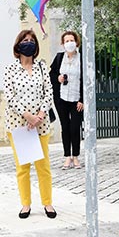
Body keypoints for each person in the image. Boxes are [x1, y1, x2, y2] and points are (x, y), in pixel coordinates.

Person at [3, 29, 57, 219]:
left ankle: (47, 203)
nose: (28, 43)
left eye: (31, 40)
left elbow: (48, 92)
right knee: (23, 167)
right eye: (25, 40)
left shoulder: (42, 67)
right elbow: (9, 96)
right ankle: (25, 204)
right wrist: (27, 116)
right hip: (19, 124)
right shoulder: (10, 69)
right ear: (18, 45)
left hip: (40, 124)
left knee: (43, 165)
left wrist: (40, 114)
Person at [49, 31, 84, 170]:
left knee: (75, 127)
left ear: (76, 42)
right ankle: (67, 157)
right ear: (62, 44)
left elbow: (86, 80)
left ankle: (76, 156)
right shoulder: (59, 58)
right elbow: (51, 75)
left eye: (72, 40)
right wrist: (58, 78)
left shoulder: (82, 59)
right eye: (67, 41)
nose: (70, 43)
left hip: (76, 99)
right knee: (65, 127)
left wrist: (82, 99)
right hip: (61, 98)